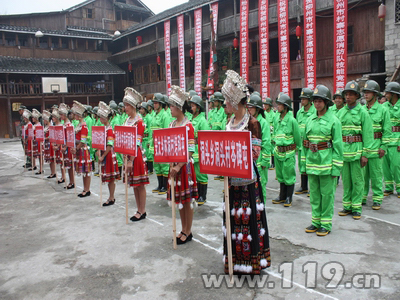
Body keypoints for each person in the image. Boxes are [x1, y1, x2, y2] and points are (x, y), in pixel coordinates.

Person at [221, 70, 270, 274]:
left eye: (226, 100)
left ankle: (251, 263)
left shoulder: (252, 123)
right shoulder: (229, 123)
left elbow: (255, 154)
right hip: (231, 182)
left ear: (235, 101)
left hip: (247, 182)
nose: (224, 104)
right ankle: (234, 261)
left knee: (248, 223)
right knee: (232, 223)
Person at [302, 85, 343, 236]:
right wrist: (304, 164)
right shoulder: (310, 119)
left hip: (326, 164)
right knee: (314, 194)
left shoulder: (334, 121)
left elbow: (338, 146)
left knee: (327, 195)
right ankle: (316, 221)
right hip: (312, 163)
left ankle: (325, 223)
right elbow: (305, 143)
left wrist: (336, 169)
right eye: (315, 101)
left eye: (320, 101)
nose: (317, 104)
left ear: (326, 102)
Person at [165, 85, 198, 244]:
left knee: (187, 200)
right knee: (179, 200)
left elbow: (191, 150)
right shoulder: (171, 125)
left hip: (185, 169)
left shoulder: (188, 125)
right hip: (174, 168)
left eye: (172, 106)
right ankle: (182, 229)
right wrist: (171, 165)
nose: (170, 109)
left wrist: (178, 166)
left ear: (179, 107)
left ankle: (188, 230)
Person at [337, 81, 373, 220]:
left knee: (358, 181)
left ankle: (356, 207)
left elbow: (368, 134)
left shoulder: (363, 112)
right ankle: (347, 206)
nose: (348, 97)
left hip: (357, 152)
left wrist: (365, 154)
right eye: (347, 94)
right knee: (346, 181)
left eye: (351, 94)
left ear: (357, 96)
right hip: (344, 153)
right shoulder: (340, 113)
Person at [362, 80, 391, 210]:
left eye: (369, 92)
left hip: (376, 148)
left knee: (376, 175)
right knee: (362, 176)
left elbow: (387, 130)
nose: (366, 95)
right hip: (363, 149)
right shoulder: (361, 110)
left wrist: (383, 147)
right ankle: (362, 197)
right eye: (365, 92)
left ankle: (377, 198)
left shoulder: (383, 110)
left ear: (375, 94)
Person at [123, 87, 150, 221]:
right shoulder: (126, 121)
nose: (125, 108)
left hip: (136, 156)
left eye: (127, 105)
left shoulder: (139, 122)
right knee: (134, 184)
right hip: (128, 155)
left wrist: (130, 160)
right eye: (125, 105)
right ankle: (138, 209)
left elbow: (137, 143)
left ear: (133, 106)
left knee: (140, 185)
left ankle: (142, 210)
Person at [272, 93, 301, 207]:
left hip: (288, 152)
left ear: (285, 106)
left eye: (279, 104)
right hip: (278, 151)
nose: (277, 106)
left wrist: (295, 149)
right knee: (280, 175)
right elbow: (274, 132)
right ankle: (282, 196)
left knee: (289, 175)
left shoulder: (292, 120)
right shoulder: (276, 118)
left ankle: (289, 197)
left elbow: (297, 137)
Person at [247, 93, 271, 203]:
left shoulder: (263, 123)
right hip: (250, 161)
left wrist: (265, 161)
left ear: (257, 109)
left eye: (251, 107)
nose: (249, 109)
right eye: (248, 106)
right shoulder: (248, 121)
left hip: (261, 162)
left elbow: (266, 143)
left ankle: (262, 210)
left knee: (261, 187)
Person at [96, 101, 121, 206]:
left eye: (102, 117)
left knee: (111, 178)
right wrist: (98, 151)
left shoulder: (110, 130)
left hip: (109, 155)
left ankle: (111, 197)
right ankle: (110, 196)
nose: (100, 119)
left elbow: (110, 145)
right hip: (104, 154)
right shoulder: (103, 129)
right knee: (107, 177)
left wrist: (102, 156)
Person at [189, 95, 210, 205]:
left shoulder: (202, 121)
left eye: (192, 106)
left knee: (201, 175)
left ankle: (203, 196)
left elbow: (205, 138)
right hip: (193, 152)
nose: (191, 108)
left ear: (198, 107)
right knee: (195, 175)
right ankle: (197, 194)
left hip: (200, 153)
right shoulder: (191, 119)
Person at [295, 88, 316, 195]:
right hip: (302, 144)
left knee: (310, 165)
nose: (302, 101)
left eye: (304, 99)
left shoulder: (314, 111)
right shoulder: (299, 112)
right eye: (301, 99)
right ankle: (303, 186)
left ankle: (312, 188)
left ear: (309, 100)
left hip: (310, 143)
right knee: (302, 165)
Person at [382, 82, 400, 198]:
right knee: (385, 166)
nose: (386, 95)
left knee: (396, 165)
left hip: (396, 140)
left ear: (394, 94)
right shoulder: (384, 107)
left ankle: (399, 187)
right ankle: (388, 187)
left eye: (388, 93)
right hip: (386, 141)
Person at [71, 101, 92, 197]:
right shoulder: (79, 125)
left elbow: (83, 140)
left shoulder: (83, 125)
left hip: (83, 149)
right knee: (84, 171)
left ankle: (87, 189)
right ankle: (85, 188)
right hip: (79, 149)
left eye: (75, 114)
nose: (74, 115)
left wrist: (77, 148)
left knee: (86, 171)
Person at [150, 93, 168, 194]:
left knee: (164, 166)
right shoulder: (154, 114)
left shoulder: (164, 115)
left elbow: (166, 131)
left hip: (162, 145)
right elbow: (151, 129)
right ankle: (160, 185)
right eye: (154, 103)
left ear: (161, 104)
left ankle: (165, 186)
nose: (154, 105)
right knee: (157, 166)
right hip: (154, 145)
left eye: (156, 103)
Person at [59, 103, 75, 189]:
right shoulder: (63, 124)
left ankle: (72, 182)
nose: (61, 116)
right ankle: (70, 181)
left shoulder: (69, 125)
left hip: (68, 147)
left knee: (70, 165)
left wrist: (65, 146)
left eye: (62, 114)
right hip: (64, 147)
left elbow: (70, 138)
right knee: (67, 165)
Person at [51, 108, 66, 184]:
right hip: (56, 145)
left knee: (62, 161)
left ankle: (63, 177)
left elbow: (62, 138)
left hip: (60, 146)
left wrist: (58, 146)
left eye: (54, 117)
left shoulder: (61, 126)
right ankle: (62, 176)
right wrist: (53, 144)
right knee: (60, 162)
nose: (52, 118)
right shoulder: (54, 126)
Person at [139, 102, 153, 175]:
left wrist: (149, 141)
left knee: (149, 155)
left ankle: (150, 169)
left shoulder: (149, 118)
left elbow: (150, 130)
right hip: (143, 139)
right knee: (144, 154)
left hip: (147, 138)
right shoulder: (141, 118)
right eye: (140, 109)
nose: (140, 111)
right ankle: (146, 168)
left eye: (142, 109)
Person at [263, 97, 276, 170]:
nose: (265, 106)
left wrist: (274, 136)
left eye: (266, 104)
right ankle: (267, 163)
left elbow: (275, 125)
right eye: (264, 104)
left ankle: (273, 164)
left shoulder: (273, 114)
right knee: (266, 149)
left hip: (271, 134)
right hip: (266, 133)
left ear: (270, 105)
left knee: (272, 150)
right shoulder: (263, 113)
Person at [31, 109, 43, 175]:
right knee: (37, 155)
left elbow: (40, 135)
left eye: (33, 117)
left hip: (38, 142)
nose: (32, 119)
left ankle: (41, 169)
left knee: (40, 155)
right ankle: (37, 167)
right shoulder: (34, 125)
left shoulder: (39, 125)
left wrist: (34, 135)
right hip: (35, 142)